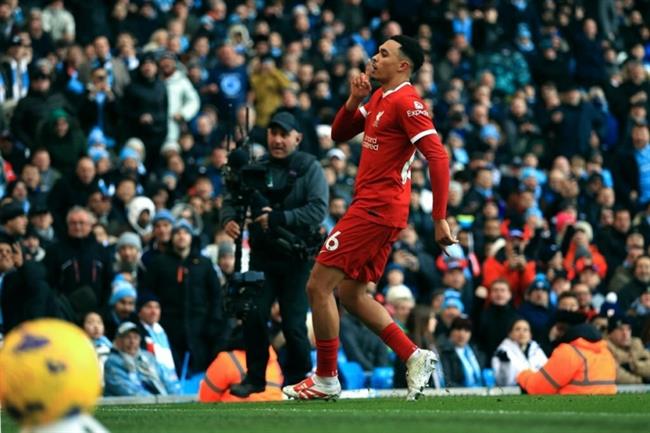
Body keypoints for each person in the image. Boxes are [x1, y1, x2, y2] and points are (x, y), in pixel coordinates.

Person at [282, 35, 454, 401]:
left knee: (318, 285)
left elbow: (438, 158)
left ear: (403, 66)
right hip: (376, 207)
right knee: (351, 293)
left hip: (377, 207)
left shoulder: (408, 102)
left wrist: (439, 218)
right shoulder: (380, 97)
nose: (374, 58)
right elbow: (339, 133)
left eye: (384, 54)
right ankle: (414, 355)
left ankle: (325, 378)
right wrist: (354, 99)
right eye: (377, 52)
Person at [221, 111, 329, 397]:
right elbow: (234, 197)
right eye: (273, 133)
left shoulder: (310, 168)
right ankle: (256, 377)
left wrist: (279, 218)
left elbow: (318, 210)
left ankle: (298, 379)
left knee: (294, 325)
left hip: (296, 258)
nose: (278, 140)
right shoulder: (257, 167)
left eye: (284, 134)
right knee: (253, 314)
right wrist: (229, 219)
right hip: (263, 256)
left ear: (298, 138)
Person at [517, 311, 617, 394]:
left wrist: (522, 375)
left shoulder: (569, 352)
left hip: (571, 409)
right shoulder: (605, 352)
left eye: (560, 329)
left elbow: (537, 388)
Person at [103, 321, 180, 396]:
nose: (132, 341)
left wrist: (174, 399)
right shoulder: (112, 362)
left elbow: (167, 380)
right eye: (127, 337)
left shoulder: (148, 357)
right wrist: (158, 402)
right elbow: (128, 391)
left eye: (135, 337)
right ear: (118, 341)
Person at [492, 319, 547, 386]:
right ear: (510, 334)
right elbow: (501, 383)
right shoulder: (502, 352)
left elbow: (548, 374)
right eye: (517, 329)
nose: (522, 333)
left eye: (525, 330)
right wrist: (505, 364)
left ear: (530, 335)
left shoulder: (537, 349)